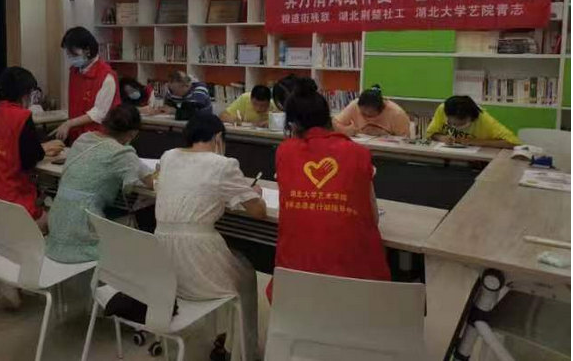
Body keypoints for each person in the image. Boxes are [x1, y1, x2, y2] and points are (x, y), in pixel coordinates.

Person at [155, 113, 266, 360]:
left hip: (163, 267)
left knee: (230, 264)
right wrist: (253, 193)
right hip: (197, 260)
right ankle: (241, 352)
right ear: (218, 138)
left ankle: (221, 334)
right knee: (246, 274)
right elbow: (258, 212)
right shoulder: (223, 164)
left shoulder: (168, 156)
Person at [271, 78, 390, 299]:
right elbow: (373, 217)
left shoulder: (284, 152)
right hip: (355, 285)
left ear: (293, 125)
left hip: (294, 287)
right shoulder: (358, 153)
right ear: (328, 118)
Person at [46, 104, 155, 263]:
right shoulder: (122, 153)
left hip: (56, 225)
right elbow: (152, 183)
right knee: (133, 234)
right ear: (133, 133)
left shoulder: (83, 139)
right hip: (82, 231)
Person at [0, 67, 64, 234]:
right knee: (58, 218)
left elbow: (5, 149)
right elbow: (29, 160)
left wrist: (40, 149)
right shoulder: (20, 117)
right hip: (12, 215)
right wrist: (41, 150)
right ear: (26, 94)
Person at [54, 27, 121, 144]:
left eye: (74, 54)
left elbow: (99, 113)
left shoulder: (106, 75)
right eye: (69, 55)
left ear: (87, 50)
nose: (71, 58)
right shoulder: (74, 71)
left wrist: (69, 123)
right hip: (77, 136)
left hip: (98, 138)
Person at [426, 95, 521, 148]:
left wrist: (475, 141)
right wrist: (442, 138)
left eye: (461, 124)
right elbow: (431, 134)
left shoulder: (484, 120)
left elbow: (514, 143)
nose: (455, 126)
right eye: (452, 123)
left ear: (471, 117)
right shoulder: (442, 109)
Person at [334, 85, 411, 137]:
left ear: (381, 109)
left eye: (370, 115)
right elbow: (334, 123)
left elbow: (405, 140)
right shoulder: (354, 105)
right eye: (362, 113)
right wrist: (345, 130)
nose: (366, 116)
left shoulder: (397, 114)